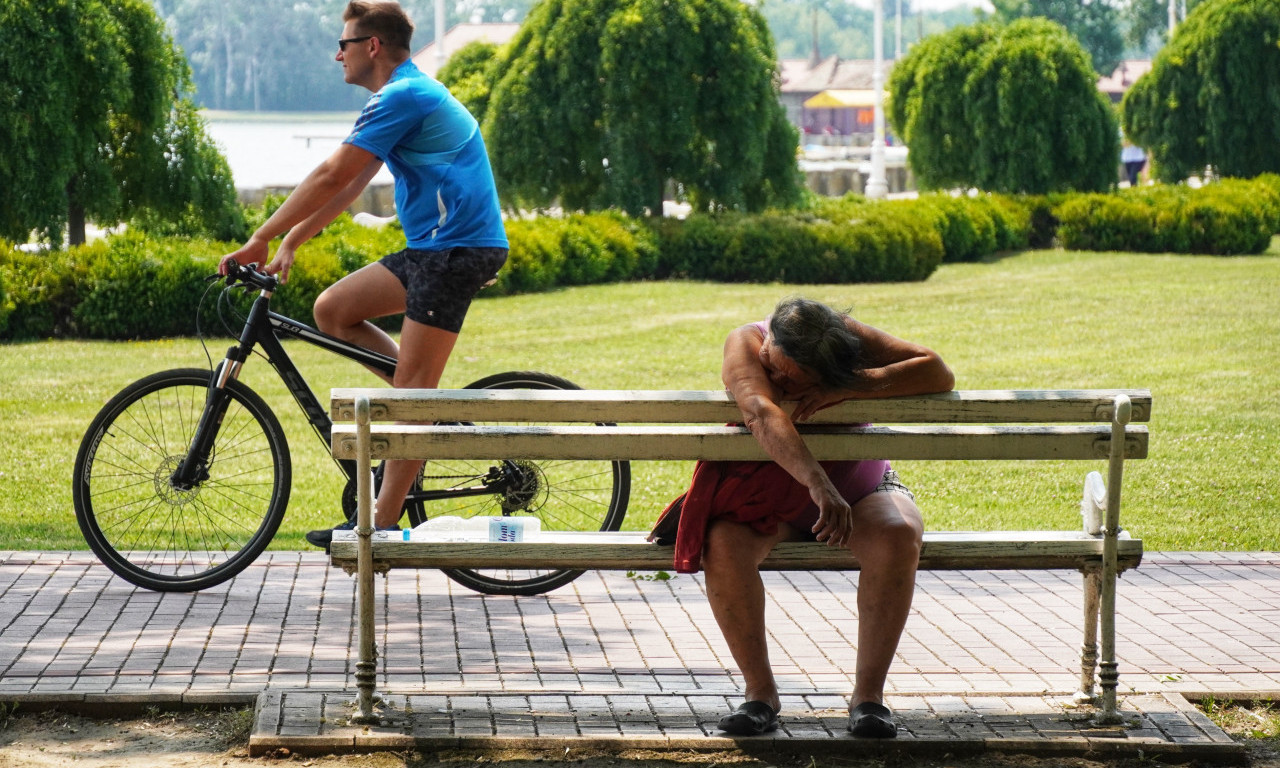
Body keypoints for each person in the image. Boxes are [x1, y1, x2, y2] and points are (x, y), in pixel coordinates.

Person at [218, 0, 508, 550]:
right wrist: (291, 241)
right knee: (333, 310)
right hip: (432, 249)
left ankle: (379, 522)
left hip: (455, 250)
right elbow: (351, 183)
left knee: (411, 394)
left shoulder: (404, 94)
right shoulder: (397, 96)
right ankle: (423, 408)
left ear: (372, 46)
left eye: (345, 44)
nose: (337, 54)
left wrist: (258, 239)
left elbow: (332, 172)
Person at [651, 297, 954, 738]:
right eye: (775, 367)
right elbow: (760, 409)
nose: (776, 378)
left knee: (899, 533)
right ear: (770, 338)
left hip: (861, 488)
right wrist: (817, 484)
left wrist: (856, 384)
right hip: (772, 494)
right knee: (724, 545)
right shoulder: (746, 341)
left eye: (798, 380)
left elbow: (936, 371)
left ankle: (868, 699)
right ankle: (760, 696)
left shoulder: (845, 338)